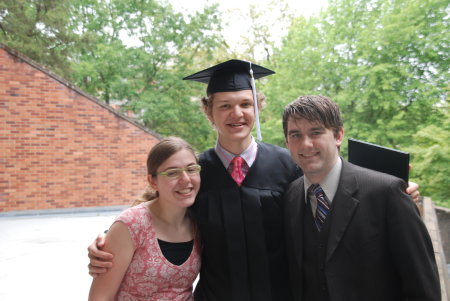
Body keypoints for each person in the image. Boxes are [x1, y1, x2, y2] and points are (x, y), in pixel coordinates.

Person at [87, 61, 421, 301]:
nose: (237, 114)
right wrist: (106, 242)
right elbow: (157, 209)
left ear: (258, 107)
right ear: (208, 111)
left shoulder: (289, 164)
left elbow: (338, 193)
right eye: (226, 106)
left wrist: (395, 196)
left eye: (246, 104)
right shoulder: (196, 172)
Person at [282, 95, 440, 301]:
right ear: (287, 141)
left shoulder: (386, 192)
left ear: (338, 135)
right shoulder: (291, 196)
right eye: (295, 135)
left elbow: (422, 285)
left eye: (316, 132)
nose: (306, 144)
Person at [88, 137, 202, 301]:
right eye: (172, 173)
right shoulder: (131, 224)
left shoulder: (199, 222)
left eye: (191, 169)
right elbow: (100, 297)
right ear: (152, 181)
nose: (185, 179)